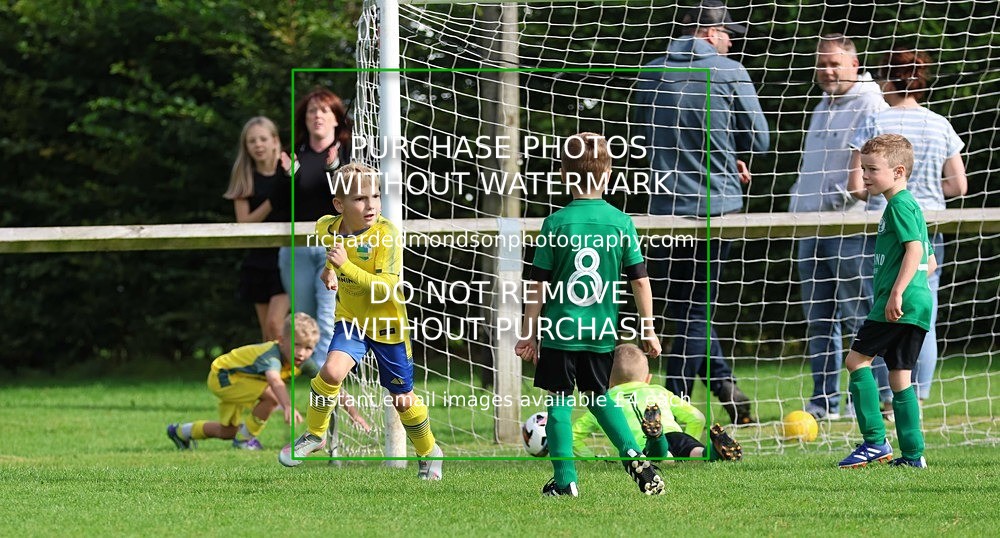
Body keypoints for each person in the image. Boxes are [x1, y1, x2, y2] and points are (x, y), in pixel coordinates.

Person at [633, 0, 768, 424]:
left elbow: (639, 136)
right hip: (717, 208)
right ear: (711, 34)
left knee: (682, 309)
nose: (732, 44)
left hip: (663, 210)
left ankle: (727, 389)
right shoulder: (729, 72)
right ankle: (673, 404)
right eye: (730, 36)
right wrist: (729, 158)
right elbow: (759, 140)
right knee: (696, 311)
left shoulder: (650, 72)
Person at [514, 132, 666, 497]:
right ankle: (633, 454)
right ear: (608, 175)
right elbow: (640, 282)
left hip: (561, 330)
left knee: (560, 402)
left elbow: (537, 286)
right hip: (601, 332)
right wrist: (649, 329)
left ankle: (566, 482)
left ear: (565, 175)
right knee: (598, 396)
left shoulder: (555, 224)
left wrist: (528, 332)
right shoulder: (621, 223)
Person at [278, 163, 445, 480]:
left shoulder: (386, 235)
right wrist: (330, 271)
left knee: (402, 399)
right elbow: (334, 255)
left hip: (387, 326)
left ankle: (429, 452)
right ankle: (315, 434)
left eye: (376, 196)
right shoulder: (326, 227)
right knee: (330, 371)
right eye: (359, 199)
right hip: (351, 320)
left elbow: (386, 287)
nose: (370, 205)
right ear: (339, 205)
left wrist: (344, 268)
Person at [847, 49, 968, 403]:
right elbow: (959, 186)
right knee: (922, 309)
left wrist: (884, 190)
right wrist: (929, 191)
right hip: (932, 223)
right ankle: (918, 394)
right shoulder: (939, 122)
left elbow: (856, 187)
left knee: (888, 303)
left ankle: (889, 396)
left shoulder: (876, 120)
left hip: (892, 227)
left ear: (887, 79)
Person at [789, 35, 893, 420]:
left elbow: (873, 170)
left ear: (854, 63)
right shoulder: (822, 105)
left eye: (834, 63)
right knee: (818, 320)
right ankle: (823, 402)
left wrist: (835, 199)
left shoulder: (871, 103)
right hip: (810, 228)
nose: (827, 70)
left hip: (852, 228)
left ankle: (875, 399)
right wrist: (797, 200)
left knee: (860, 316)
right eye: (821, 64)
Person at [838, 134, 935, 469]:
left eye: (871, 169)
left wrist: (896, 291)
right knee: (899, 376)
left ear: (897, 171)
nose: (864, 175)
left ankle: (875, 443)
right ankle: (913, 455)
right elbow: (930, 262)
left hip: (899, 302)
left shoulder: (900, 205)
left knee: (855, 361)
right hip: (918, 303)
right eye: (863, 168)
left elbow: (916, 250)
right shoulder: (910, 207)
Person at [269, 88, 354, 370]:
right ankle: (321, 381)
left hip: (336, 246)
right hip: (297, 249)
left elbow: (351, 199)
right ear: (304, 119)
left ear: (336, 118)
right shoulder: (292, 156)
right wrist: (287, 177)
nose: (317, 116)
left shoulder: (350, 152)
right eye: (311, 111)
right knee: (305, 323)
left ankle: (329, 386)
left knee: (328, 319)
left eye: (324, 110)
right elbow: (279, 205)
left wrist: (334, 168)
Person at [167, 313, 314, 450]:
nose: (301, 353)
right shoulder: (271, 356)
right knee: (272, 399)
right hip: (225, 377)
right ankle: (245, 440)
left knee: (228, 431)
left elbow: (326, 377)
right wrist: (287, 405)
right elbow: (274, 380)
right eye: (297, 345)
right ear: (281, 341)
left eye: (308, 347)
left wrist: (337, 390)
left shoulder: (302, 361)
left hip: (239, 379)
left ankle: (180, 432)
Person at [572, 344, 742, 462]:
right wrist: (690, 439)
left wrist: (592, 459)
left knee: (662, 458)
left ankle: (656, 439)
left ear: (607, 381)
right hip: (677, 435)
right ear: (647, 378)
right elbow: (697, 417)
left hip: (640, 447)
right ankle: (712, 449)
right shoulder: (658, 391)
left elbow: (573, 437)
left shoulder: (603, 404)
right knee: (696, 455)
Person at [223, 116, 292, 342]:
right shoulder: (244, 177)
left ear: (275, 140)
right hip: (259, 259)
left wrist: (289, 179)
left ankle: (294, 372)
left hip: (289, 256)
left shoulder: (291, 170)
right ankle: (274, 377)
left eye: (263, 139)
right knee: (268, 335)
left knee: (276, 324)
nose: (258, 145)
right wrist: (272, 201)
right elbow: (244, 224)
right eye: (252, 141)